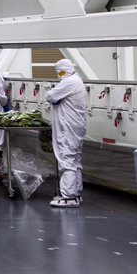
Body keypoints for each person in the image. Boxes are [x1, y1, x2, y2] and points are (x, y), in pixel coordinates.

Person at [46, 58, 87, 208]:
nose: (59, 74)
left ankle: (68, 196)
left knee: (67, 158)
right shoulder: (76, 80)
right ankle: (76, 193)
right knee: (74, 159)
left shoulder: (70, 82)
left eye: (61, 71)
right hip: (75, 126)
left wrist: (53, 96)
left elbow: (50, 96)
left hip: (68, 127)